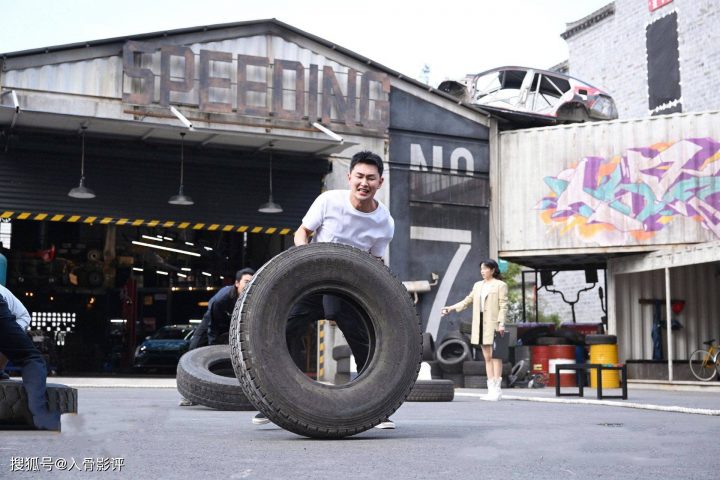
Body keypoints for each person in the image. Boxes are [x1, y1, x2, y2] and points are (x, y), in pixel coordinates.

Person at [253, 150, 396, 429]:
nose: (363, 183)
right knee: (285, 329)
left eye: (371, 178)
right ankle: (274, 401)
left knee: (365, 341)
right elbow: (302, 232)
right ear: (349, 177)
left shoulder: (385, 222)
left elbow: (376, 261)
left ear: (380, 182)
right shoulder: (329, 200)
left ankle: (377, 409)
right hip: (315, 280)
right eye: (359, 177)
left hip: (353, 287)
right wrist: (303, 259)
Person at [179, 268, 254, 406]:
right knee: (193, 351)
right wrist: (212, 349)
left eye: (252, 282)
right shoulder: (221, 299)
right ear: (237, 283)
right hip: (213, 322)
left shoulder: (254, 298)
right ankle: (189, 396)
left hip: (236, 325)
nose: (249, 285)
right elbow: (213, 327)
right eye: (246, 282)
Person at [441, 259, 508, 401]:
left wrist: (501, 323)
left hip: (494, 323)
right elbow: (467, 301)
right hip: (480, 324)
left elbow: (503, 305)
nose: (482, 271)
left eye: (485, 268)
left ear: (493, 270)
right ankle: (490, 389)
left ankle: (497, 389)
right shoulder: (478, 285)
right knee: (487, 357)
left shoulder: (500, 285)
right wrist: (451, 308)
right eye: (481, 269)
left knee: (496, 356)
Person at [0, 286, 61, 430]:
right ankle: (41, 415)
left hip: (13, 318)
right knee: (31, 358)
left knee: (11, 347)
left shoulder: (19, 313)